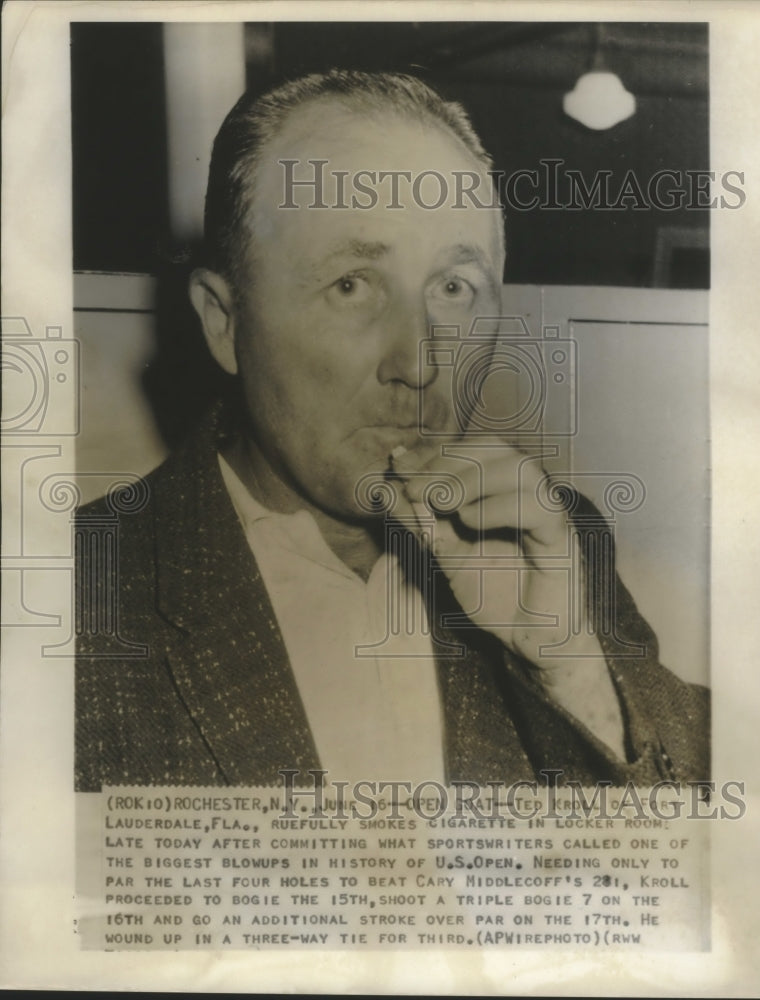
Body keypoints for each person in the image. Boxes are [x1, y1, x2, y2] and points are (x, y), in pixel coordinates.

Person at [74, 70, 709, 792]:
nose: (418, 361)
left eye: (452, 289)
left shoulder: (562, 545)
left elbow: (704, 865)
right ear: (225, 322)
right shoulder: (74, 595)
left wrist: (570, 672)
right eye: (351, 285)